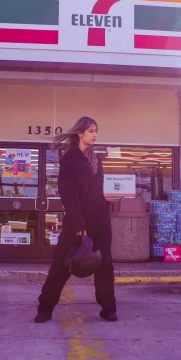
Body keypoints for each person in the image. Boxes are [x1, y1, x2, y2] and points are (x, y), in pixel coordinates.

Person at [36, 116, 117, 323]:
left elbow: (98, 192)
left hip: (100, 222)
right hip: (77, 222)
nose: (95, 134)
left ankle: (109, 309)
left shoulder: (96, 159)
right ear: (80, 133)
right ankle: (45, 308)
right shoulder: (69, 159)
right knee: (62, 266)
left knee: (105, 265)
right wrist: (79, 223)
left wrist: (104, 217)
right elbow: (67, 193)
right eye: (91, 131)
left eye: (96, 130)